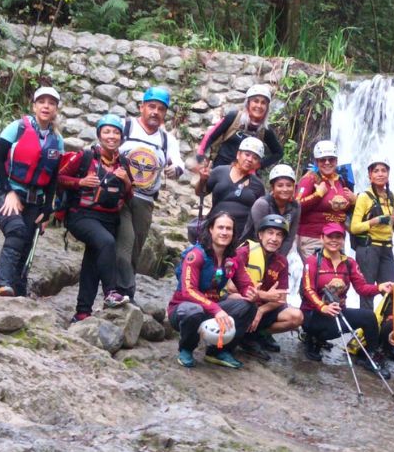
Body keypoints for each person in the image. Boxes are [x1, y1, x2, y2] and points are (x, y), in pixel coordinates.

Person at [0, 86, 65, 297]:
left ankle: (19, 290)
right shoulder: (17, 128)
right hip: (5, 191)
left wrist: (48, 209)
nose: (46, 106)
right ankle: (3, 284)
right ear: (34, 106)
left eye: (51, 103)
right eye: (42, 102)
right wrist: (9, 192)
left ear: (56, 109)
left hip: (35, 199)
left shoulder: (57, 141)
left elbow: (52, 178)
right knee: (17, 231)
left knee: (27, 242)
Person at [58, 114, 133, 322]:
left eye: (116, 132)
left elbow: (129, 196)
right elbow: (59, 177)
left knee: (92, 262)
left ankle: (82, 312)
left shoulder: (124, 163)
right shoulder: (85, 157)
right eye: (107, 132)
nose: (112, 136)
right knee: (106, 242)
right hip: (81, 216)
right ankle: (111, 292)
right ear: (99, 135)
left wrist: (126, 181)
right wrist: (80, 182)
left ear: (121, 136)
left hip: (109, 219)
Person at [117, 86, 185, 301]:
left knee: (135, 247)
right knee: (124, 245)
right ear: (142, 107)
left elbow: (179, 164)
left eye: (161, 109)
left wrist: (175, 169)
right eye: (151, 106)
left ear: (165, 114)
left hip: (144, 200)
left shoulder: (167, 140)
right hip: (118, 196)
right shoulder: (125, 127)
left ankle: (123, 291)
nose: (155, 112)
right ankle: (122, 291)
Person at [300, 223, 393, 378]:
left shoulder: (349, 263)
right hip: (313, 313)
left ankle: (370, 357)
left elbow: (362, 288)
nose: (334, 240)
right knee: (325, 327)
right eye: (330, 237)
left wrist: (380, 287)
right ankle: (312, 338)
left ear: (343, 240)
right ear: (322, 238)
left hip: (338, 312)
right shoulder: (312, 261)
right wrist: (322, 307)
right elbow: (307, 289)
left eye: (338, 237)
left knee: (369, 317)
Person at [167, 212, 255, 369]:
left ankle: (218, 351)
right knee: (194, 310)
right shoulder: (196, 255)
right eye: (220, 227)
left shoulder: (233, 258)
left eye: (229, 229)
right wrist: (216, 309)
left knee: (247, 307)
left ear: (233, 233)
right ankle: (186, 349)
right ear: (210, 230)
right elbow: (188, 291)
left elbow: (244, 283)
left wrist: (250, 292)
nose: (224, 232)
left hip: (212, 308)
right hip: (183, 309)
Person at [229, 214, 304, 359]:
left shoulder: (281, 261)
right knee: (236, 297)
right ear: (260, 235)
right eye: (270, 233)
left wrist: (261, 310)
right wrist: (262, 296)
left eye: (279, 235)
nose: (274, 239)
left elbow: (281, 297)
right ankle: (242, 334)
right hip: (242, 303)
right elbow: (231, 287)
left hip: (262, 308)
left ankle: (257, 334)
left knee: (296, 317)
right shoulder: (244, 253)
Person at [350, 156, 394, 311]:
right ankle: (366, 329)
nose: (380, 174)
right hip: (368, 249)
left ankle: (387, 327)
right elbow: (354, 227)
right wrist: (374, 221)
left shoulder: (391, 197)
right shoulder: (364, 197)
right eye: (376, 171)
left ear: (388, 173)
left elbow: (390, 227)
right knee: (367, 292)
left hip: (387, 248)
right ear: (370, 175)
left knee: (392, 290)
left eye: (384, 170)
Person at [195, 136, 266, 243]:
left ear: (258, 164)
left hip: (240, 235)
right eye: (247, 154)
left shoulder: (258, 185)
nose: (250, 159)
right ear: (238, 154)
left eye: (255, 158)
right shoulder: (219, 172)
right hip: (215, 228)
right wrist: (202, 180)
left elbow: (259, 213)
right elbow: (200, 192)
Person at [196, 84, 283, 170]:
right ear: (248, 103)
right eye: (255, 101)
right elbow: (211, 135)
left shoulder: (265, 130)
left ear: (267, 107)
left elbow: (278, 153)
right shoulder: (234, 117)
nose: (259, 106)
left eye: (263, 103)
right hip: (221, 170)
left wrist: (260, 165)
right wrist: (200, 154)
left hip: (245, 176)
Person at [294, 141, 356, 260]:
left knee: (335, 275)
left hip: (337, 238)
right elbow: (296, 206)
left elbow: (344, 210)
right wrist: (317, 195)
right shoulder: (310, 179)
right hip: (313, 238)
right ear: (317, 161)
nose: (327, 162)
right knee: (316, 274)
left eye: (331, 159)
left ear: (336, 161)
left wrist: (354, 201)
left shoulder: (341, 180)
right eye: (323, 160)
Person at [244, 164, 300, 256]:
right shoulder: (262, 205)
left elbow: (289, 237)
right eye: (280, 185)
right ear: (272, 187)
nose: (285, 189)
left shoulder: (295, 207)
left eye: (289, 185)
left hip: (279, 250)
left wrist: (279, 260)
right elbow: (259, 235)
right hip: (254, 248)